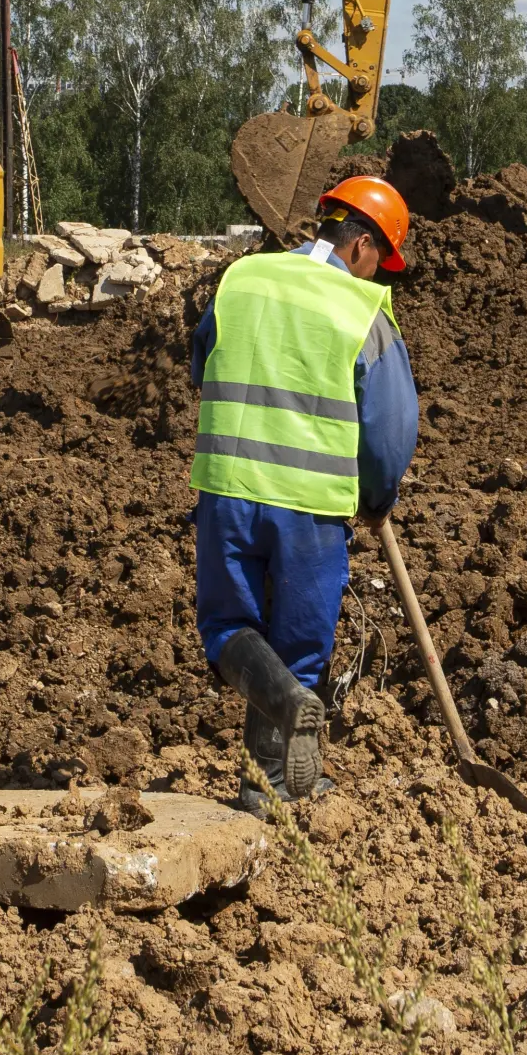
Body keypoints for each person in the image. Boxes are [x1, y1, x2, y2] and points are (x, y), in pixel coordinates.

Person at [188, 175, 421, 814]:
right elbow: (391, 431)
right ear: (364, 246)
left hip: (227, 491)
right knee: (299, 644)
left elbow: (201, 361)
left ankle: (271, 777)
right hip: (312, 507)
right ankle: (283, 770)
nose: (382, 276)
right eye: (383, 262)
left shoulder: (243, 278)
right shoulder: (363, 310)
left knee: (228, 626)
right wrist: (376, 496)